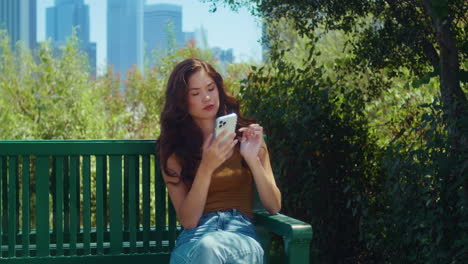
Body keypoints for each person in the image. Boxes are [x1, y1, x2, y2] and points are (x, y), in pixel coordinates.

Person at [158, 58, 281, 264]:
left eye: (211, 88)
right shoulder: (174, 151)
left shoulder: (248, 139)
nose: (207, 98)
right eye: (195, 93)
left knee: (211, 248)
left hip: (240, 235)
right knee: (208, 247)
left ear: (219, 89)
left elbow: (273, 206)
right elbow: (189, 221)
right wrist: (206, 167)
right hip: (196, 239)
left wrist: (252, 159)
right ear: (182, 101)